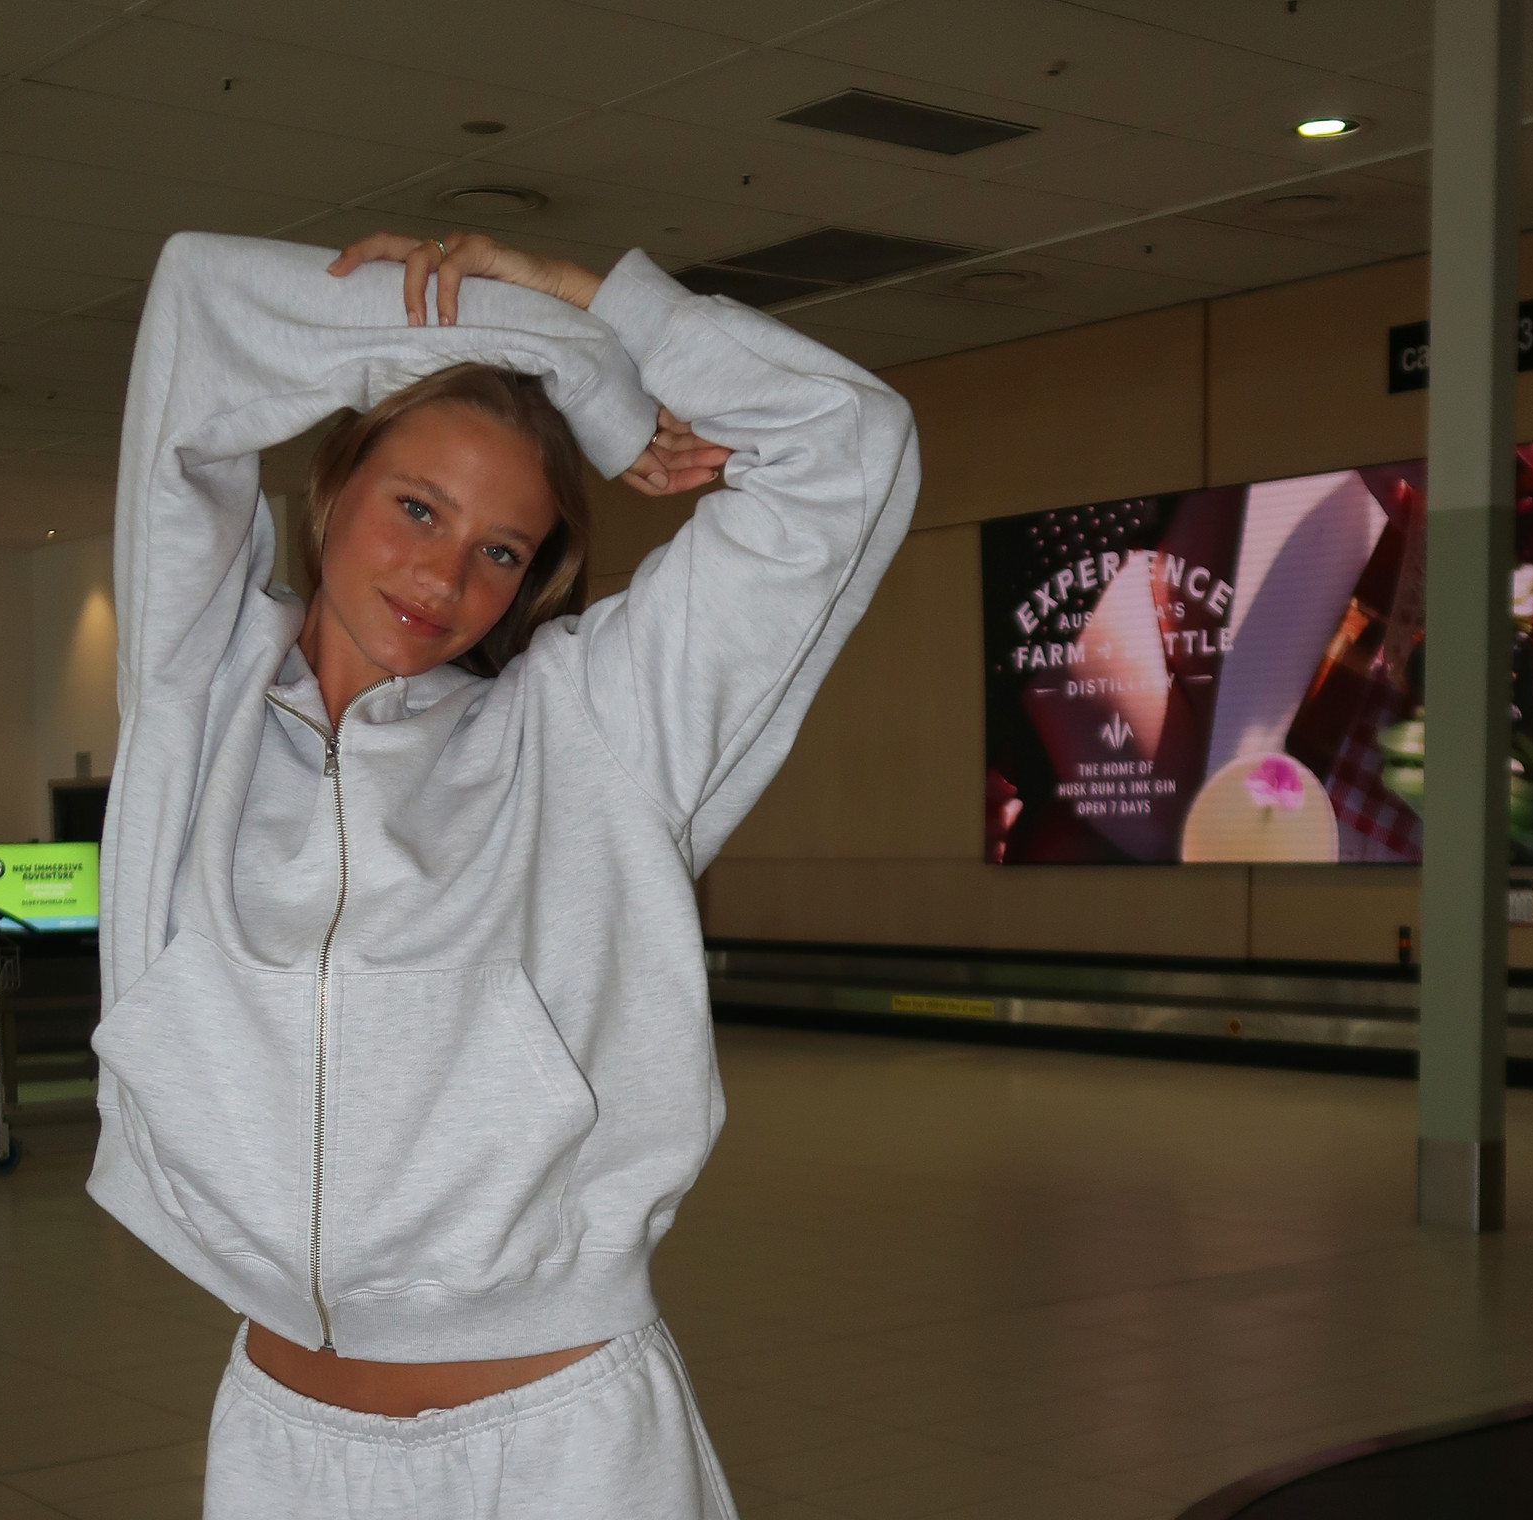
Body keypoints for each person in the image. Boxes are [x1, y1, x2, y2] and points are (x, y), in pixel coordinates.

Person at [90, 226, 919, 1518]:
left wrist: (586, 310)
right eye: (418, 507)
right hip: (284, 1443)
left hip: (557, 1446)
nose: (443, 575)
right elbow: (200, 306)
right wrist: (561, 367)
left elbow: (849, 442)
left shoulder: (594, 730)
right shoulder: (196, 694)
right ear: (334, 489)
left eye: (502, 550)